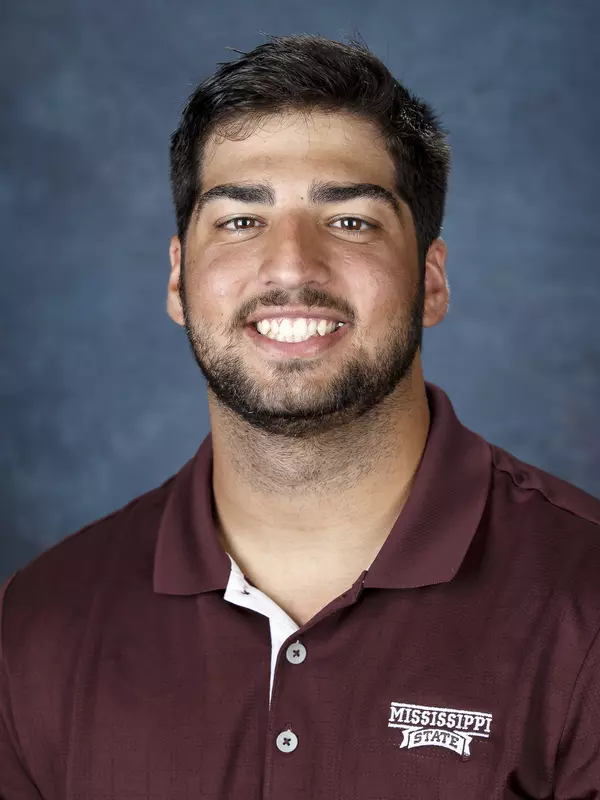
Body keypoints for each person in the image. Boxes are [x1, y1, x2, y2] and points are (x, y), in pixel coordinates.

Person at [1, 33, 599, 800]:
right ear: (179, 281)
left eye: (349, 221)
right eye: (240, 221)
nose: (289, 265)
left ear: (431, 281)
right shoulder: (38, 623)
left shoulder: (585, 601)